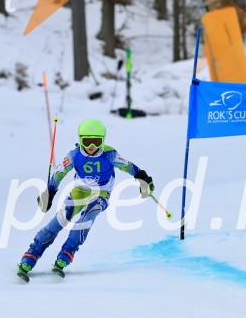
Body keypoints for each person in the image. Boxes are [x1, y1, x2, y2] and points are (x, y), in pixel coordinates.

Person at [17, 118, 154, 280]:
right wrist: (50, 192)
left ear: (102, 140)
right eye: (87, 141)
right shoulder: (75, 155)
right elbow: (59, 173)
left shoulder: (109, 154)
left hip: (101, 194)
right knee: (60, 219)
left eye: (96, 142)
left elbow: (129, 166)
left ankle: (66, 253)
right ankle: (32, 254)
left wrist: (142, 178)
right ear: (80, 139)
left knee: (85, 220)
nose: (91, 147)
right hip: (79, 191)